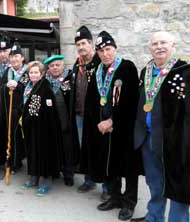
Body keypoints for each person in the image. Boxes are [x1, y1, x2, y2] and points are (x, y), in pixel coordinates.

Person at [80, 31, 143, 221]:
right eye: (101, 51)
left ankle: (129, 203)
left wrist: (112, 121)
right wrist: (98, 122)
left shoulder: (127, 67)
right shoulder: (98, 70)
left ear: (115, 49)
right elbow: (91, 99)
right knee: (109, 165)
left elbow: (131, 100)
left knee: (129, 168)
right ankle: (115, 197)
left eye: (108, 49)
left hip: (123, 128)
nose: (105, 54)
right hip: (102, 128)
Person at [131, 31, 190, 222]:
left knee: (178, 183)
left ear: (173, 45)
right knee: (154, 182)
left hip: (175, 141)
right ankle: (154, 216)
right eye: (155, 44)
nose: (159, 47)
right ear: (150, 48)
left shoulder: (184, 72)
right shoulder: (145, 72)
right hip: (148, 138)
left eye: (163, 42)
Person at [69, 25, 108, 198]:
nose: (81, 47)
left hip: (97, 116)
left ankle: (108, 188)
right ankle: (89, 180)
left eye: (83, 43)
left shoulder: (100, 62)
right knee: (85, 149)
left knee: (101, 149)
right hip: (79, 115)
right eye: (78, 44)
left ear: (91, 44)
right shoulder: (77, 63)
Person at [21, 61, 62, 196]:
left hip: (44, 130)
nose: (33, 75)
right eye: (31, 72)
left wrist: (43, 126)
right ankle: (33, 178)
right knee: (32, 153)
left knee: (44, 156)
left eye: (36, 72)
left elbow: (50, 112)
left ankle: (44, 184)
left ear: (42, 74)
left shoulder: (46, 88)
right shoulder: (29, 87)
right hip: (32, 129)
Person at [43, 55, 78, 186]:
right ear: (48, 68)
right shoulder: (45, 81)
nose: (55, 68)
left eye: (57, 65)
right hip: (50, 123)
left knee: (67, 149)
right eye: (52, 66)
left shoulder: (70, 79)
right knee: (53, 148)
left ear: (63, 65)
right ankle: (54, 171)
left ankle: (69, 174)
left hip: (66, 121)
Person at [0, 41, 29, 172]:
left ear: (22, 58)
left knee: (21, 138)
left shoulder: (27, 71)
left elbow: (30, 88)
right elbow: (0, 89)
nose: (14, 59)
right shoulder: (8, 72)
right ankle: (12, 161)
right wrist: (6, 87)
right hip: (9, 111)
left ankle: (20, 161)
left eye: (17, 56)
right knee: (11, 137)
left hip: (22, 111)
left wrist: (19, 86)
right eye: (12, 57)